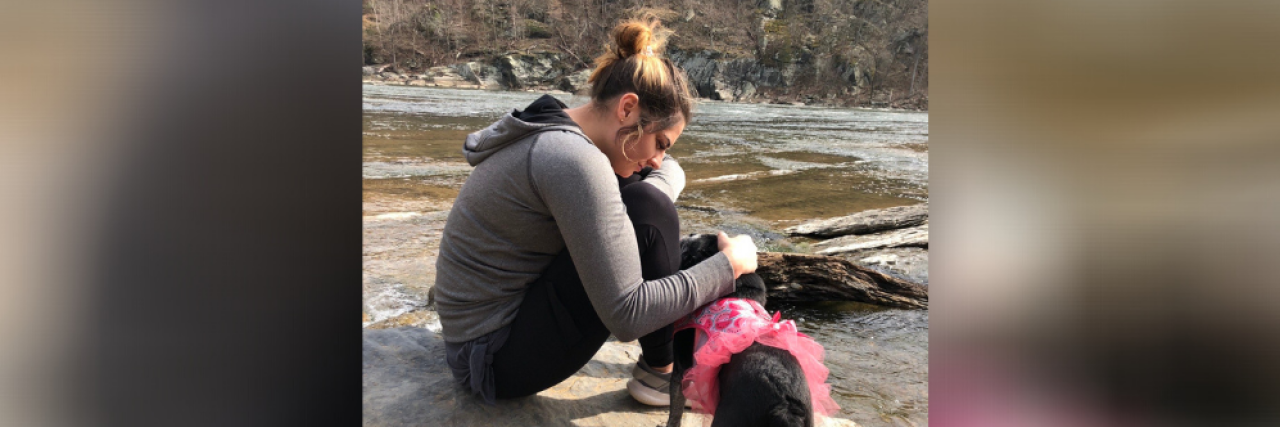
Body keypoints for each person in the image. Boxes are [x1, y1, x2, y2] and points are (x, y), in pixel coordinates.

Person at [434, 16, 759, 406]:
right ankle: (662, 372)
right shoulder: (573, 160)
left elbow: (666, 174)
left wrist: (655, 184)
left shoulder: (554, 130)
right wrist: (730, 266)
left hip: (480, 344)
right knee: (650, 208)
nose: (658, 159)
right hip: (494, 362)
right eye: (660, 142)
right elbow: (628, 314)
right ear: (627, 108)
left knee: (646, 202)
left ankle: (661, 366)